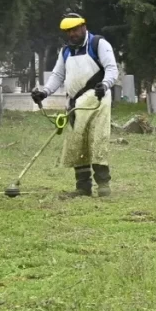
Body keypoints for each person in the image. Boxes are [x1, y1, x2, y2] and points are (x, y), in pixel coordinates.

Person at [31, 13, 119, 198]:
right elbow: (57, 75)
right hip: (75, 103)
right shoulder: (66, 51)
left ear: (83, 27)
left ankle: (103, 184)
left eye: (75, 29)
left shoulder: (98, 44)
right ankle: (83, 186)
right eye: (68, 31)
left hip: (98, 99)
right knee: (76, 143)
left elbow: (111, 69)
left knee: (98, 140)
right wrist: (45, 92)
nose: (72, 34)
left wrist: (105, 84)